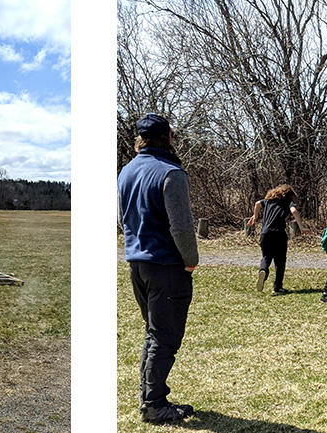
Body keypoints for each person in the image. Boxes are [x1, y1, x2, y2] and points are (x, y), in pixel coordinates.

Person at [118, 113, 198, 423]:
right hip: (166, 264)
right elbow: (181, 227)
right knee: (164, 337)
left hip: (137, 264)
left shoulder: (125, 172)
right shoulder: (171, 173)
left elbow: (122, 219)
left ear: (139, 139)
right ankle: (153, 405)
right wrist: (191, 259)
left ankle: (154, 397)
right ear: (169, 138)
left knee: (154, 334)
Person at [247, 184, 305, 295]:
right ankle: (278, 287)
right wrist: (301, 226)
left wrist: (255, 216)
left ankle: (263, 270)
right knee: (280, 261)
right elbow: (294, 211)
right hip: (279, 234)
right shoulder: (287, 203)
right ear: (289, 196)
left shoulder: (268, 201)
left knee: (266, 257)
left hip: (265, 233)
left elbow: (257, 204)